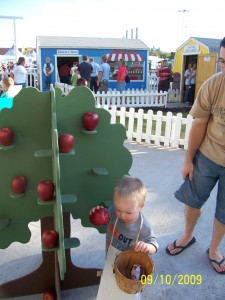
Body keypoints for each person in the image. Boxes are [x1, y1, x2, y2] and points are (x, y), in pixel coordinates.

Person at [166, 37, 225, 275]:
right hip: (208, 155)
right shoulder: (212, 86)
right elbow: (199, 125)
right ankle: (187, 236)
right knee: (192, 200)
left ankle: (214, 249)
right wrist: (188, 160)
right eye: (222, 61)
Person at [91, 176, 158, 299]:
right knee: (109, 286)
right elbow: (102, 219)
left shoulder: (143, 226)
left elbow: (154, 244)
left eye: (128, 212)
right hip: (111, 259)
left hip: (130, 271)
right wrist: (97, 213)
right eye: (118, 210)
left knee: (126, 295)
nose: (122, 215)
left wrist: (147, 247)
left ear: (141, 206)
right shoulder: (113, 212)